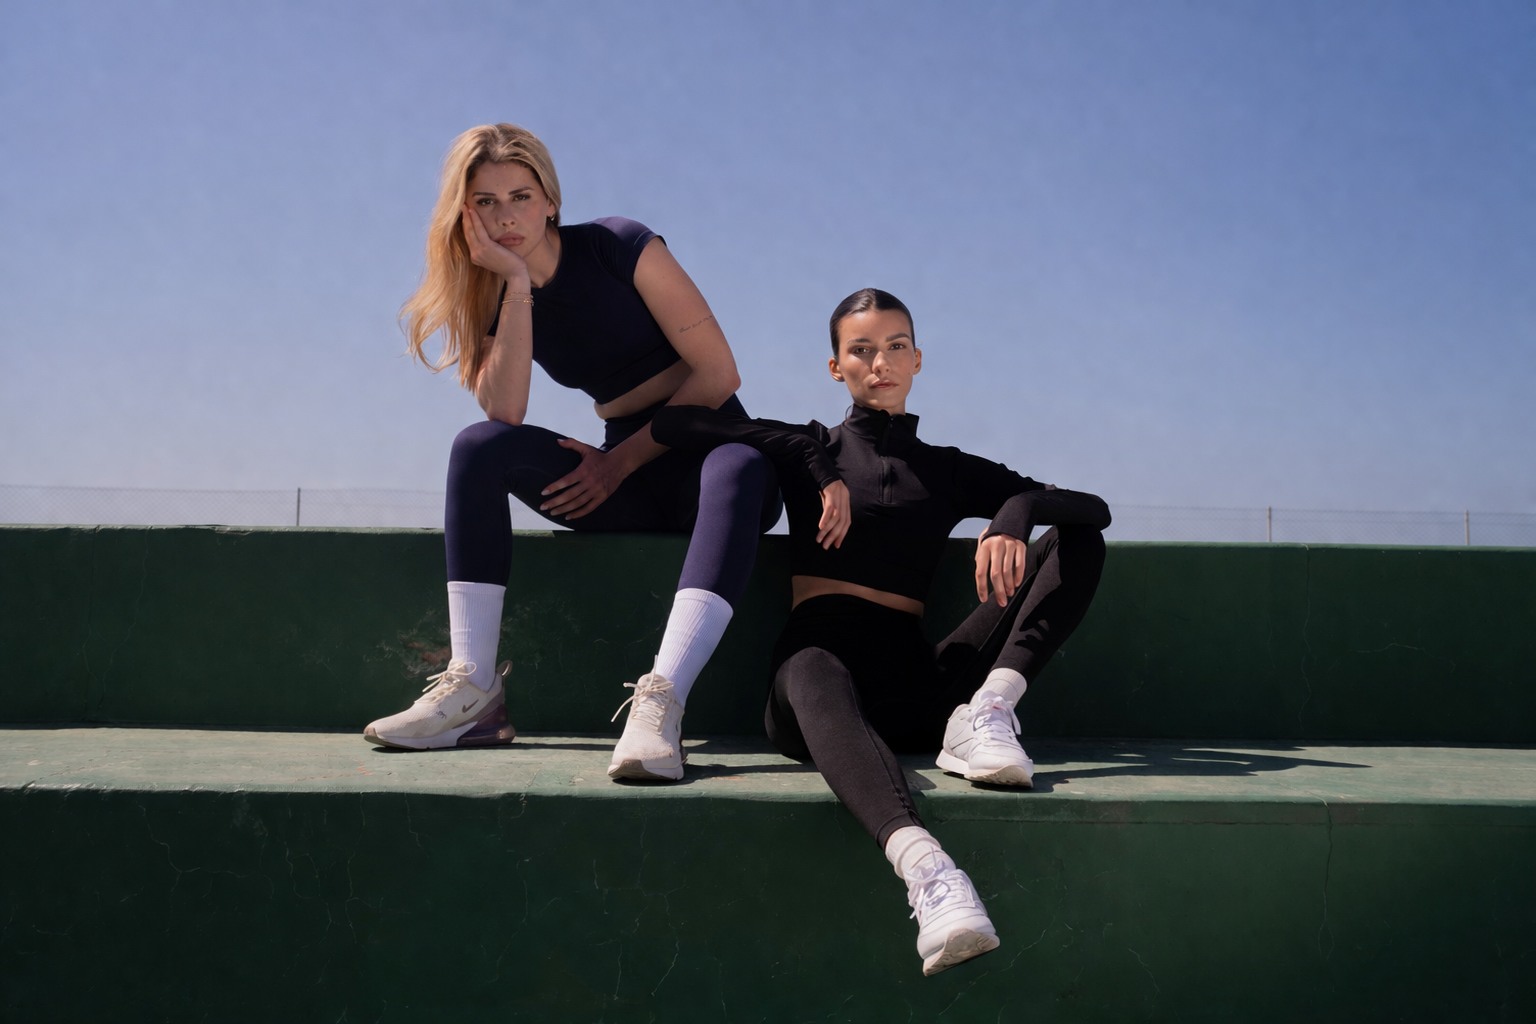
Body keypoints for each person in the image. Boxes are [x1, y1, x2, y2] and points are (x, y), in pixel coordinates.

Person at [650, 288, 1110, 975]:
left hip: (916, 685)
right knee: (812, 666)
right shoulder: (813, 446)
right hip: (817, 679)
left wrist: (1015, 510)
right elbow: (674, 425)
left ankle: (988, 712)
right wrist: (809, 459)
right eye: (861, 350)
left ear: (918, 359)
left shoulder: (947, 468)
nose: (880, 363)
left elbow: (1093, 509)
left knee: (1077, 540)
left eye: (896, 347)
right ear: (836, 367)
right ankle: (930, 875)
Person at [363, 123, 781, 781]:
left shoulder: (619, 245)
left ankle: (661, 705)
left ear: (551, 201)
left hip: (710, 459)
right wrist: (515, 284)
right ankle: (474, 691)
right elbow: (505, 413)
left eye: (521, 197)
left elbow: (718, 373)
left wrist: (619, 463)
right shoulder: (490, 291)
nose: (506, 217)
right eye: (486, 202)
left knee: (743, 462)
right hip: (628, 483)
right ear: (465, 213)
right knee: (478, 447)